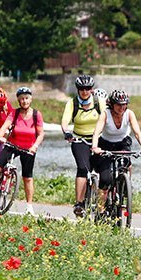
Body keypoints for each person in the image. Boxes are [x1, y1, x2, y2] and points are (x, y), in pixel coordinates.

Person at [92, 89, 141, 211]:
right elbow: (96, 132)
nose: (122, 107)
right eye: (119, 104)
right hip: (106, 145)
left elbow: (137, 132)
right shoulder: (105, 114)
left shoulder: (129, 114)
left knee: (126, 164)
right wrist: (95, 147)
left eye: (124, 104)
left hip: (123, 143)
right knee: (105, 179)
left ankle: (124, 187)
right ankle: (100, 210)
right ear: (112, 104)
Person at [0, 86, 44, 216]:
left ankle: (29, 206)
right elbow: (5, 126)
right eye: (22, 99)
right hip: (12, 145)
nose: (24, 101)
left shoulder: (37, 115)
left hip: (29, 148)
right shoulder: (14, 113)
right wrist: (1, 136)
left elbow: (41, 134)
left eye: (26, 98)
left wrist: (35, 146)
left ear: (30, 99)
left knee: (28, 177)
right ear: (18, 101)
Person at [62, 74, 102, 216]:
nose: (85, 91)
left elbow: (107, 118)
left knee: (105, 170)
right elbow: (65, 121)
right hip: (80, 140)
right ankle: (79, 203)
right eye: (82, 89)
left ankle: (104, 204)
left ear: (92, 89)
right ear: (78, 89)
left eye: (88, 88)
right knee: (82, 169)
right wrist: (67, 132)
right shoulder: (72, 103)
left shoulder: (99, 102)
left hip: (99, 140)